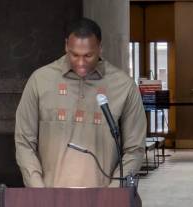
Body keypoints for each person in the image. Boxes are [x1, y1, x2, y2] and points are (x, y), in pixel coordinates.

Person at [15, 18, 146, 188]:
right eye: (74, 54)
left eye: (88, 55)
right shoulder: (40, 80)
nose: (81, 63)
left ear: (100, 48)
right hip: (49, 199)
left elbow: (134, 149)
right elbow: (24, 141)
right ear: (66, 46)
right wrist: (38, 190)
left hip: (103, 201)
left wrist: (113, 193)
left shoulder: (124, 86)